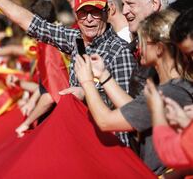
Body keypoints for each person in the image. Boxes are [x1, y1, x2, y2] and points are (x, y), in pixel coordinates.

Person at [0, 0, 136, 145]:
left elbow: (127, 111)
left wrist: (86, 93)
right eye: (84, 12)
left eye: (95, 11)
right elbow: (32, 24)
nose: (89, 18)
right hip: (81, 139)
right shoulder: (75, 38)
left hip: (114, 146)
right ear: (76, 13)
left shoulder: (120, 51)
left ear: (106, 12)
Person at [74, 9, 193, 175]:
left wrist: (86, 82)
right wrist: (103, 75)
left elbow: (105, 121)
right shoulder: (174, 87)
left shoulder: (169, 92)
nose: (137, 46)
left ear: (159, 48)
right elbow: (136, 110)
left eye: (142, 41)